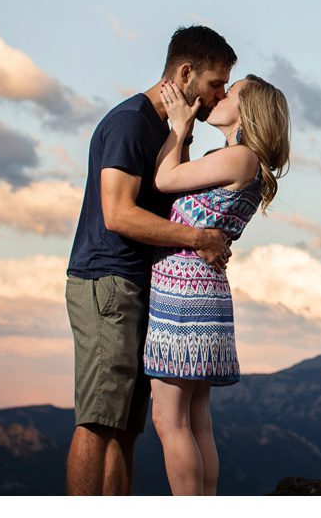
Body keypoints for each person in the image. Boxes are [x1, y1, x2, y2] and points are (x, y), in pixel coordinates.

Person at [64, 25, 237, 496]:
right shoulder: (130, 123)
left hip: (140, 287)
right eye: (214, 83)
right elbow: (118, 213)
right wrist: (198, 236)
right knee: (99, 421)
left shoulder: (166, 130)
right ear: (185, 73)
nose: (218, 95)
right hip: (108, 283)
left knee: (125, 426)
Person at [143, 73, 291, 496]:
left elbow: (165, 180)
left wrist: (178, 127)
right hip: (203, 292)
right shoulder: (240, 160)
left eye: (233, 91)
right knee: (196, 419)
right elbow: (185, 174)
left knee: (170, 420)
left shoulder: (239, 157)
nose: (222, 95)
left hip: (184, 294)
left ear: (247, 110)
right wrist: (186, 137)